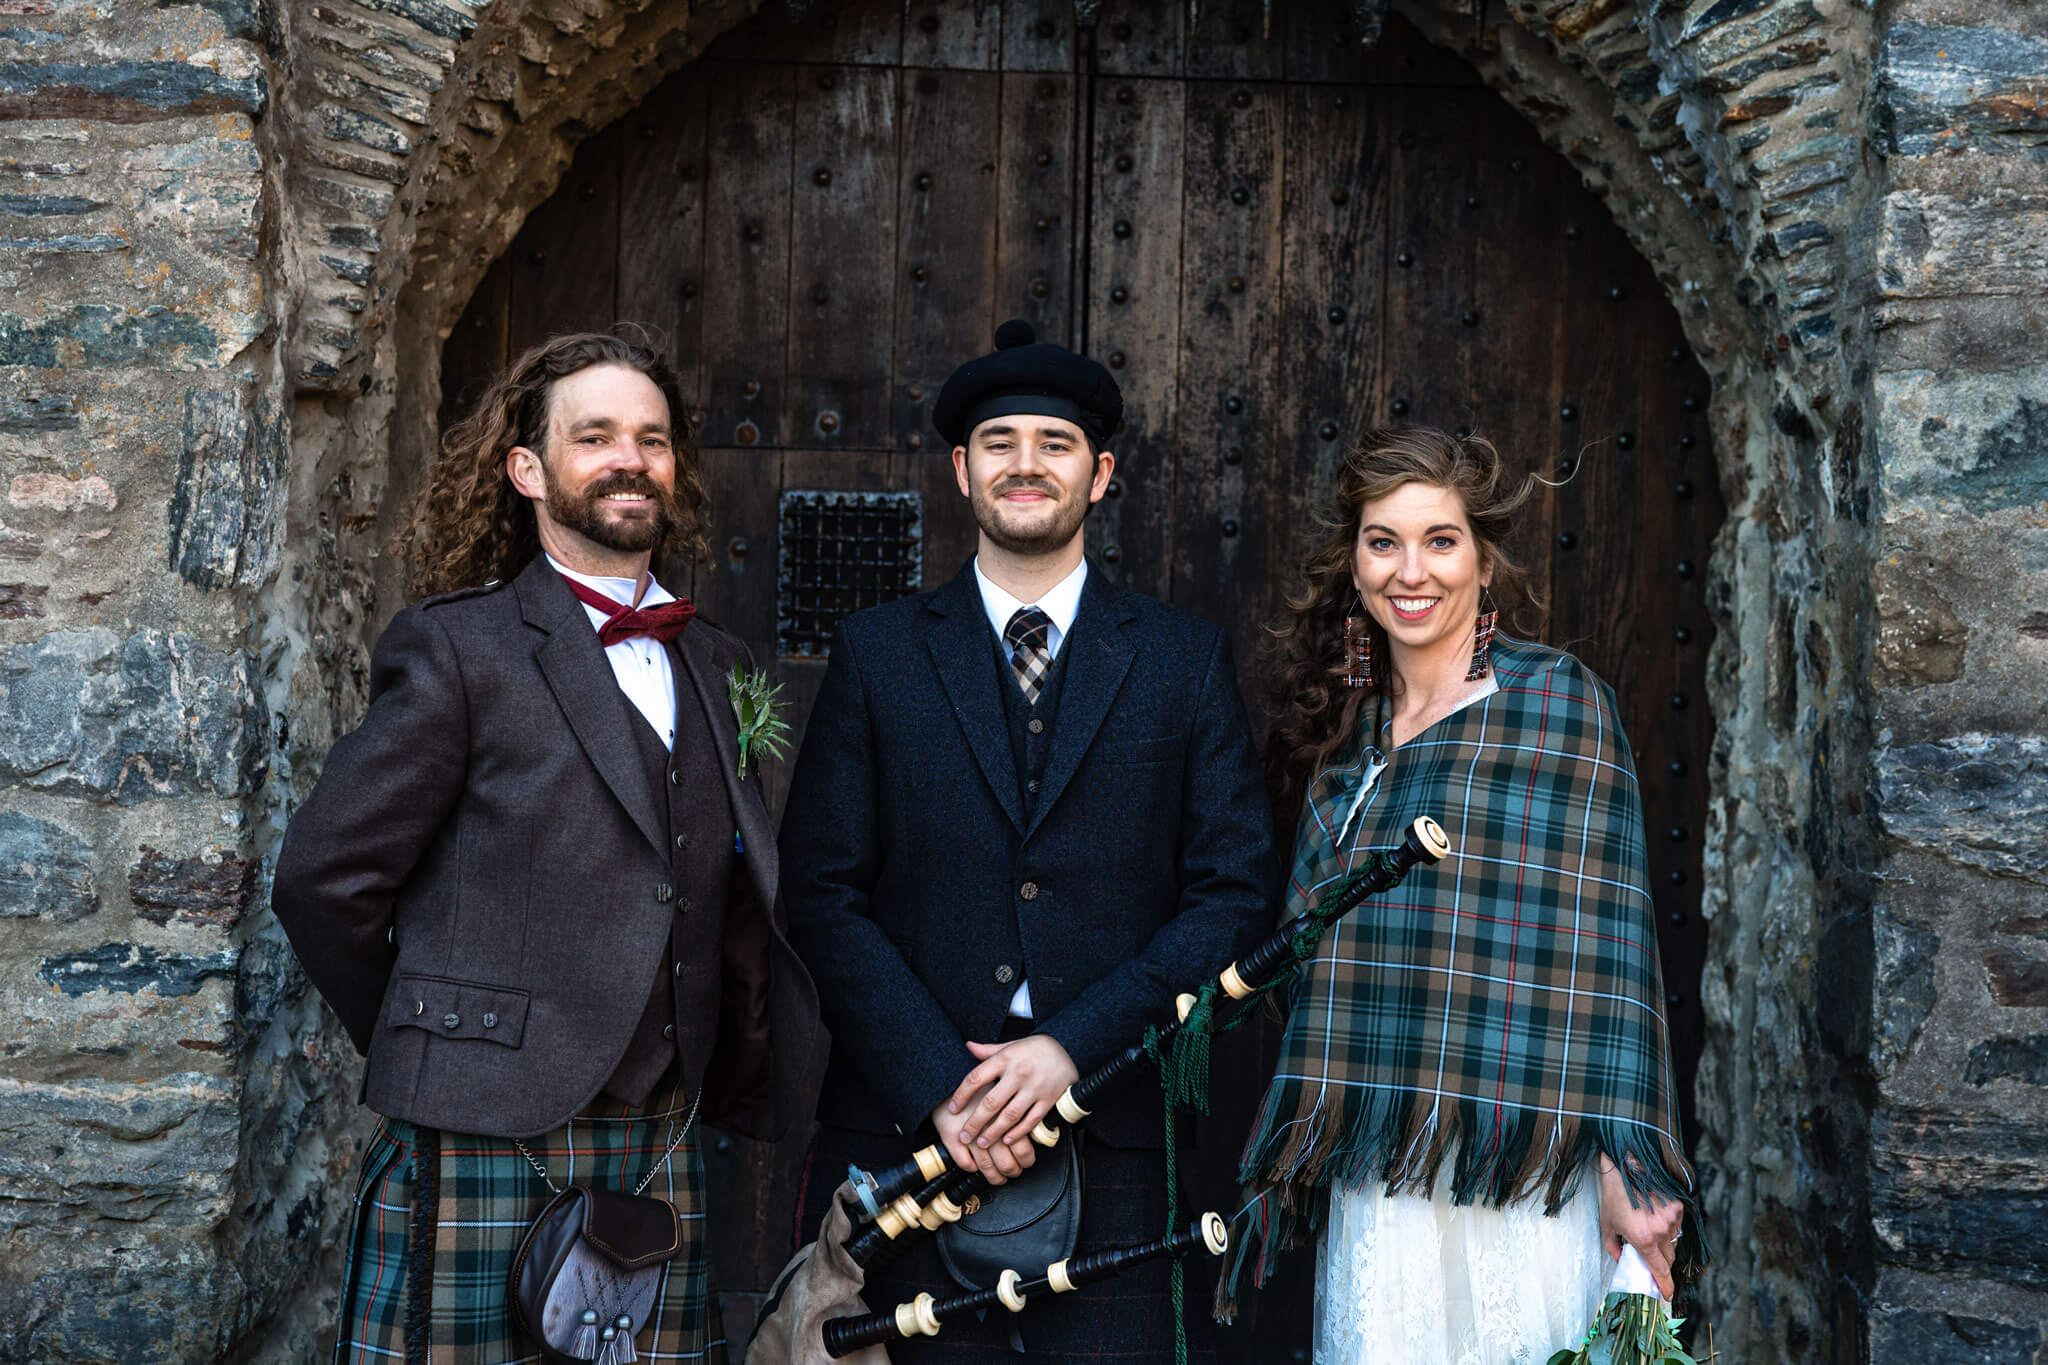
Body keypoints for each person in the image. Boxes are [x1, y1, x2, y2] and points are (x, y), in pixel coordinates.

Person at [272, 331, 821, 1364]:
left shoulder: (718, 659)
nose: (631, 459)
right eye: (596, 436)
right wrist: (437, 1033)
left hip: (662, 1123)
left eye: (652, 440)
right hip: (482, 1121)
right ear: (527, 470)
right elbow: (322, 879)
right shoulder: (458, 647)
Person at [780, 319, 1279, 1359]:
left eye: (1052, 444)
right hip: (907, 1133)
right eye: (998, 442)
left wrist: (1068, 1047)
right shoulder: (876, 655)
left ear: (1097, 476)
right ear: (961, 470)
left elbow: (1231, 896)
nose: (1024, 464)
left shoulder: (1183, 661)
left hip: (1116, 1125)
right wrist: (940, 1088)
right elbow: (821, 894)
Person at [1229, 426, 1699, 1364]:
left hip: (1523, 1167)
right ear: (1353, 564)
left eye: (1441, 540)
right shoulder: (1346, 741)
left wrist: (1629, 1167)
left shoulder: (1558, 703)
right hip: (1383, 1170)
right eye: (1383, 541)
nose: (1413, 570)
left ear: (1484, 561)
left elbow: (1614, 964)